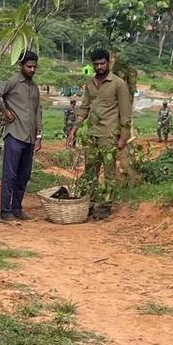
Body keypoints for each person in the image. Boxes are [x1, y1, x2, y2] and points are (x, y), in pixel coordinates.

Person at [66, 48, 132, 218]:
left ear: (108, 63)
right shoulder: (90, 83)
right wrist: (74, 129)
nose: (99, 67)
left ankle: (105, 206)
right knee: (90, 170)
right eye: (96, 64)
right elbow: (84, 108)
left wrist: (123, 137)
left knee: (109, 172)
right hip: (92, 134)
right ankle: (89, 202)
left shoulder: (118, 84)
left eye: (102, 63)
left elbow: (125, 112)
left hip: (109, 135)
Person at [0, 50, 42, 221]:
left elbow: (38, 111)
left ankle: (17, 209)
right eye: (29, 66)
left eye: (34, 67)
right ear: (21, 65)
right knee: (10, 175)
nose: (32, 70)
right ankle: (5, 212)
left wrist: (39, 136)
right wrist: (5, 111)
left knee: (24, 175)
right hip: (14, 134)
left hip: (29, 137)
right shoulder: (12, 82)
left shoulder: (34, 87)